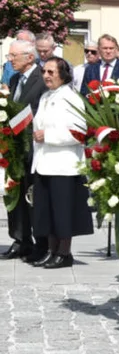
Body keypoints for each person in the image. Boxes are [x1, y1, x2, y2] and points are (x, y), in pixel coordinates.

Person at [28, 57, 93, 269]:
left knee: (62, 212)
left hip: (64, 164)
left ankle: (64, 253)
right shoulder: (47, 95)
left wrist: (48, 135)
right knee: (46, 211)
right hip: (45, 162)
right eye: (44, 72)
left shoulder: (71, 98)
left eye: (51, 72)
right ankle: (51, 250)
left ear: (63, 75)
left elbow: (78, 133)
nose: (46, 76)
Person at [4, 40, 46, 262]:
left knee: (33, 196)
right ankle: (20, 239)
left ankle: (40, 243)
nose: (10, 60)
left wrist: (11, 125)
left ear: (30, 57)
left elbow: (37, 110)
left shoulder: (43, 78)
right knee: (15, 194)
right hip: (14, 147)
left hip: (32, 146)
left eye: (13, 56)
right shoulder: (13, 79)